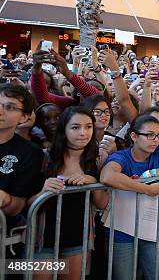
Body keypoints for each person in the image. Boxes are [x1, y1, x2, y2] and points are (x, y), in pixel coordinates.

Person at [100, 114, 159, 280]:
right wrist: (145, 188)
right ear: (134, 136)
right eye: (149, 135)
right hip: (122, 230)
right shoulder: (121, 157)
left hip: (153, 230)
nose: (155, 140)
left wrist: (150, 173)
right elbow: (107, 176)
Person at [32, 107, 109, 279]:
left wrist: (93, 182)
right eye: (75, 127)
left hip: (77, 239)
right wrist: (44, 190)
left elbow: (102, 203)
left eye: (88, 126)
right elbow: (27, 203)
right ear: (64, 130)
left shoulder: (99, 158)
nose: (83, 133)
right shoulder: (44, 157)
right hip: (41, 240)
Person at [0, 84, 45, 255]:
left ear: (24, 117)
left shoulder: (30, 153)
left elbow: (18, 206)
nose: (0, 110)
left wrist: (5, 199)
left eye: (10, 107)